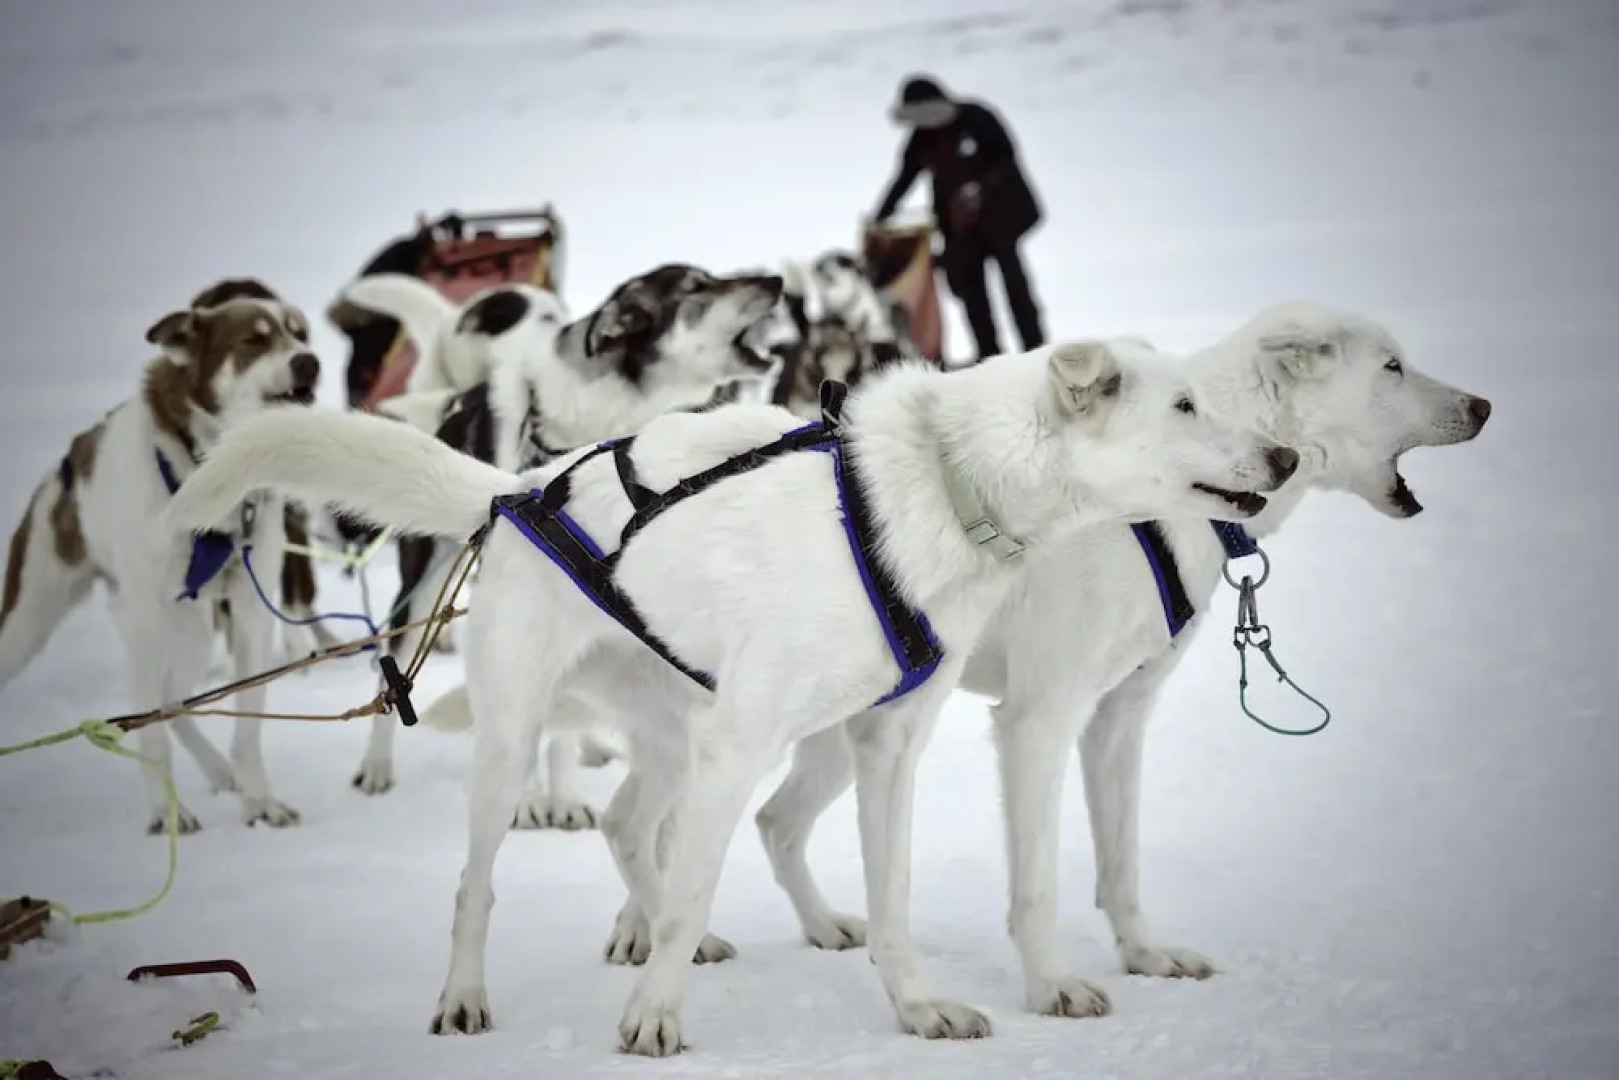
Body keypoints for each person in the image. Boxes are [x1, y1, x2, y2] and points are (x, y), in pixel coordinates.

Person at [871, 74, 1046, 363]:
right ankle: (990, 355)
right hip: (960, 230)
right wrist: (882, 215)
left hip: (998, 221)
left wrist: (981, 186)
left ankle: (1035, 348)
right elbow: (904, 177)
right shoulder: (921, 138)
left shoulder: (977, 119)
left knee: (1016, 287)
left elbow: (1006, 158)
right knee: (972, 293)